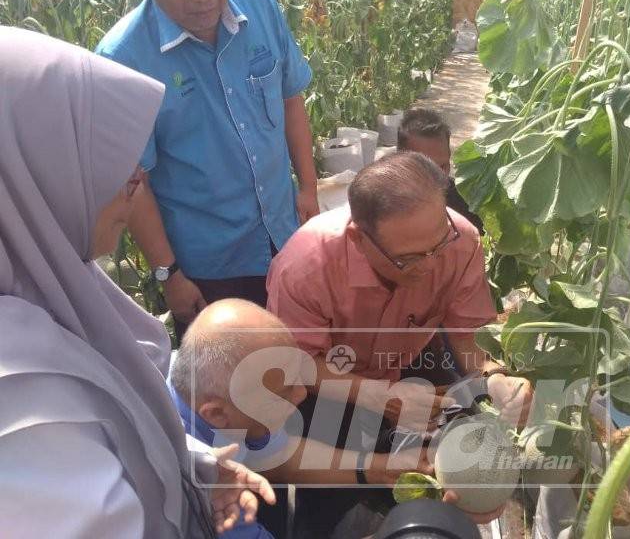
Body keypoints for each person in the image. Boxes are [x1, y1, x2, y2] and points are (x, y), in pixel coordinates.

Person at [0, 27, 273, 537]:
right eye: (119, 172)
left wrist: (194, 465)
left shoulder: (54, 277)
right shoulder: (19, 408)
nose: (137, 191)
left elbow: (113, 425)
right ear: (36, 174)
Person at [266, 152, 532, 533]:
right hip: (326, 384)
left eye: (438, 245)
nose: (429, 266)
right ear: (360, 238)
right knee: (328, 499)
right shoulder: (305, 267)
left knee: (434, 475)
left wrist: (494, 377)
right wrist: (379, 397)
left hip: (406, 361)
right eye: (409, 259)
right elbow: (296, 364)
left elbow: (467, 334)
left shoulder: (462, 243)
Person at [95, 0, 319, 339]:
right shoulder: (123, 60)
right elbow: (135, 182)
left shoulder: (260, 7)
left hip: (286, 235)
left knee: (303, 368)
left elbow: (290, 97)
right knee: (234, 390)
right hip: (210, 270)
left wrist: (308, 186)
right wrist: (169, 275)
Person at [169, 298, 439, 538]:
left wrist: (379, 468)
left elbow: (278, 454)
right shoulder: (197, 486)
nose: (300, 395)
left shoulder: (221, 402)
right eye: (284, 393)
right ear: (215, 414)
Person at [397, 109, 484, 235]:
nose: (436, 177)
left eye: (442, 167)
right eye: (424, 168)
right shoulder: (384, 202)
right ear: (399, 161)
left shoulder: (464, 203)